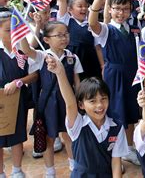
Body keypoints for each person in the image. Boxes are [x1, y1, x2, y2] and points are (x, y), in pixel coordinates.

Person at [45, 57, 128, 177]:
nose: (99, 105)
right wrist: (60, 73)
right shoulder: (78, 125)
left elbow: (116, 162)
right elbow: (70, 103)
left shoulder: (117, 127)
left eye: (103, 99)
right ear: (81, 105)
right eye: (92, 101)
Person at [20, 21, 83, 177]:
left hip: (68, 102)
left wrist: (80, 100)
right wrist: (20, 29)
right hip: (48, 103)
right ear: (46, 39)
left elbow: (77, 82)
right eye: (59, 35)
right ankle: (50, 170)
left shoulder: (72, 57)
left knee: (69, 135)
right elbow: (26, 49)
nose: (64, 38)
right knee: (49, 137)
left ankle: (73, 164)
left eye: (66, 34)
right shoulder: (42, 56)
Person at [88, 0, 141, 165]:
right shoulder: (106, 29)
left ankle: (129, 148)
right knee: (114, 113)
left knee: (131, 113)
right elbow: (92, 23)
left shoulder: (135, 28)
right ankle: (112, 152)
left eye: (125, 9)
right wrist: (99, 0)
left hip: (132, 75)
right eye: (117, 8)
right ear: (110, 9)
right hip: (114, 76)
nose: (121, 12)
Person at [0, 9, 36, 178]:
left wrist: (19, 82)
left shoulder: (21, 51)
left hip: (18, 100)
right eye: (7, 30)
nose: (11, 34)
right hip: (1, 102)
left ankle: (17, 170)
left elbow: (34, 74)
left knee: (17, 136)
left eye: (13, 30)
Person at [54, 0, 101, 79]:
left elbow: (98, 46)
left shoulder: (91, 23)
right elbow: (61, 0)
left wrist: (102, 65)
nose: (83, 9)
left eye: (85, 6)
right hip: (72, 61)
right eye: (79, 6)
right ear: (70, 10)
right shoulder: (66, 21)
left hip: (91, 62)